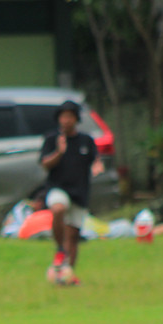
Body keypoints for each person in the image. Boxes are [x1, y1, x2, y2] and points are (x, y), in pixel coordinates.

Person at [39, 100, 104, 286]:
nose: (66, 120)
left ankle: (67, 275)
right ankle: (60, 249)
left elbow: (96, 160)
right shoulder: (52, 139)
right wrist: (59, 152)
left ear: (76, 119)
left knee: (74, 236)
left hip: (80, 192)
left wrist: (98, 166)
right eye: (63, 116)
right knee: (58, 209)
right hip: (57, 188)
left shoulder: (86, 140)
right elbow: (44, 164)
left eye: (70, 116)